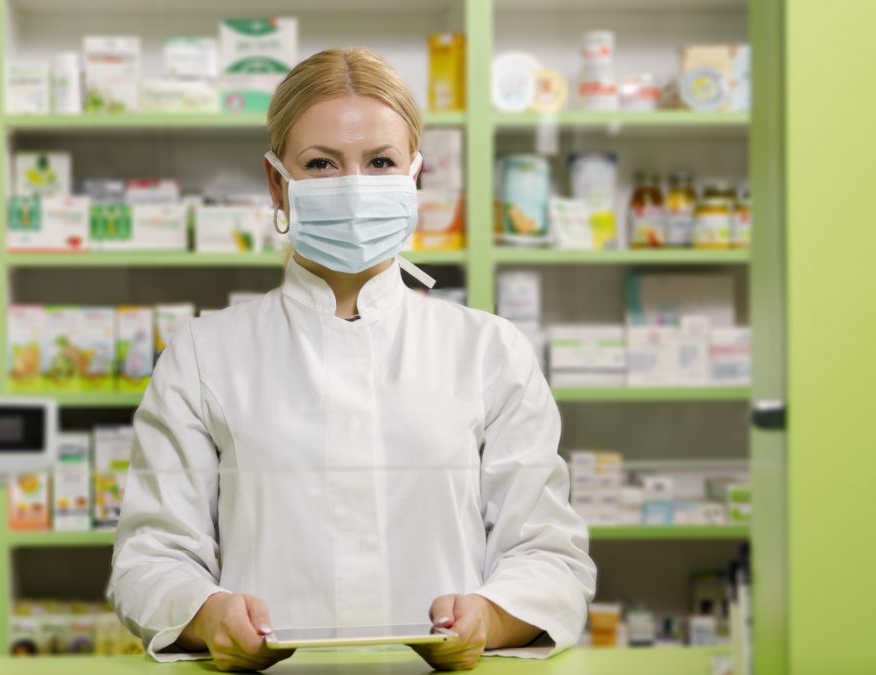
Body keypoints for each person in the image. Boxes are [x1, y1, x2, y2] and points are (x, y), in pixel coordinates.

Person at [108, 48, 596, 672]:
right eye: (321, 164)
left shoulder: (489, 351)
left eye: (381, 162)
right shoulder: (204, 355)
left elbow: (549, 554)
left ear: (414, 177)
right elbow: (151, 557)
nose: (354, 186)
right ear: (277, 183)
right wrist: (207, 616)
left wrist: (491, 616)